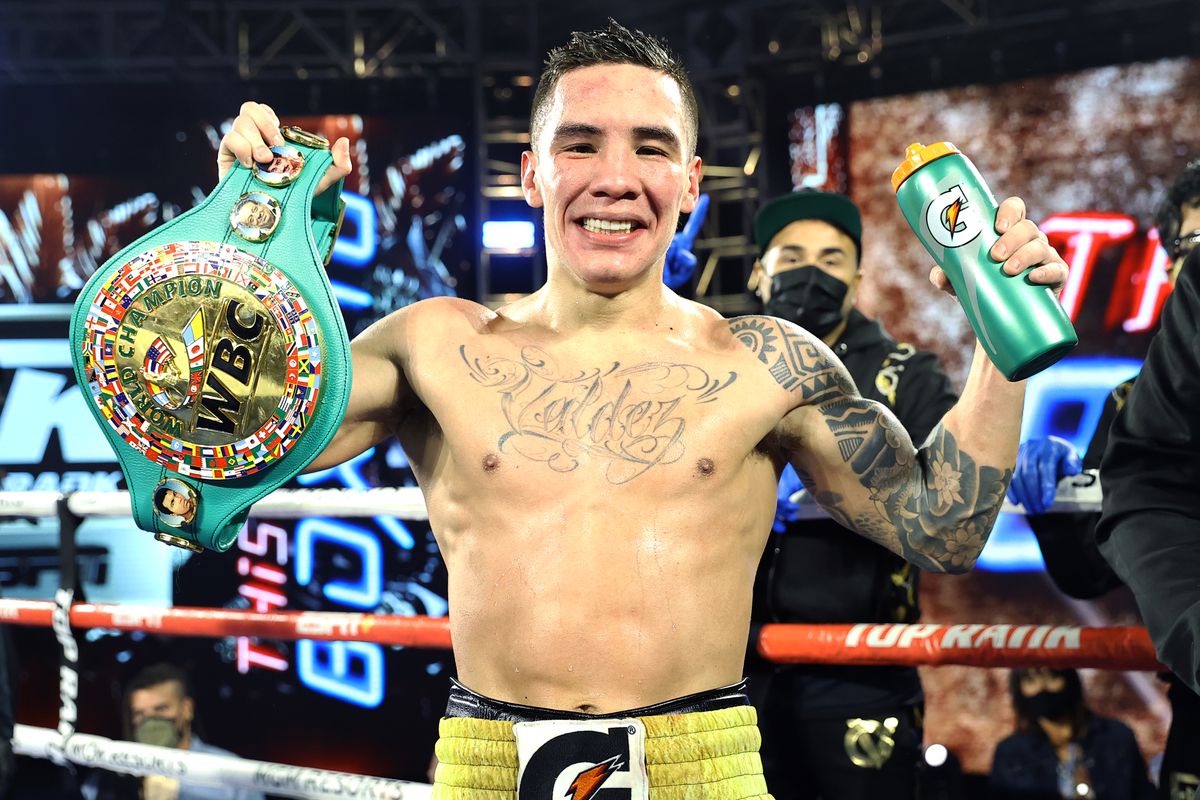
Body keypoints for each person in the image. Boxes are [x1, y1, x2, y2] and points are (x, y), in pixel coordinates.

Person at [218, 19, 1068, 797]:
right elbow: (223, 443)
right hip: (488, 764)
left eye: (651, 148)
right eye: (581, 144)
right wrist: (240, 240)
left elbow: (943, 527)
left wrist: (1004, 332)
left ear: (691, 183)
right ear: (532, 174)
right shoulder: (432, 346)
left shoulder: (768, 364)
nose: (617, 179)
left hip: (704, 764)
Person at [747, 190, 957, 799]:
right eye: (791, 257)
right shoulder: (718, 366)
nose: (810, 272)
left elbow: (946, 500)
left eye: (831, 259)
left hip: (861, 672)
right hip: (735, 674)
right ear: (759, 273)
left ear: (857, 281)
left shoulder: (905, 373)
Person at [1009, 161, 1200, 798]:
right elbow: (1090, 571)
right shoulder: (1131, 405)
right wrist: (1055, 509)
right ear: (1170, 268)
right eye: (1197, 244)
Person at [80, 663, 264, 800]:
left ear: (186, 709)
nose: (150, 721)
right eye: (140, 713)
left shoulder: (231, 772)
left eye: (161, 709)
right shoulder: (111, 776)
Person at [989, 667, 1154, 800]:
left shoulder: (1116, 736)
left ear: (1069, 680)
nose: (1042, 687)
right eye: (1031, 681)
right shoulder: (1011, 753)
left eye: (1052, 677)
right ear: (1019, 689)